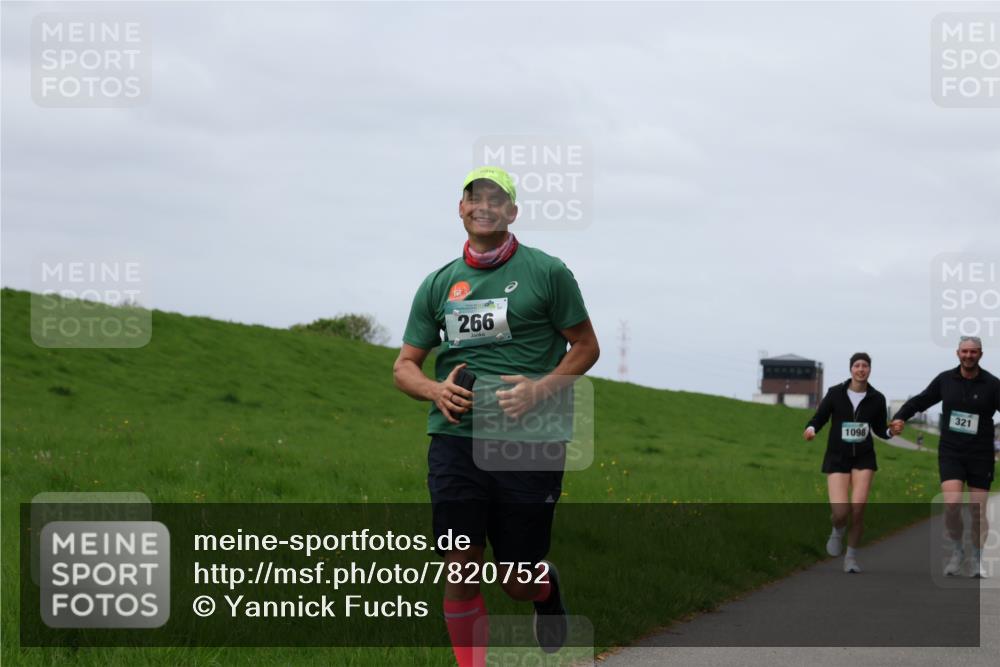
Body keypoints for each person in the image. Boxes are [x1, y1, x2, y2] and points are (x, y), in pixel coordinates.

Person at [393, 166, 600, 666]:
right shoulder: (439, 284)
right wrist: (434, 390)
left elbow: (586, 346)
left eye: (495, 198)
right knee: (460, 569)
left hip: (528, 439)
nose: (482, 205)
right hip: (455, 439)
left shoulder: (547, 272)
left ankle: (545, 592)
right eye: (472, 198)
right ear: (460, 209)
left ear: (511, 212)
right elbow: (404, 366)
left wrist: (540, 388)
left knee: (515, 578)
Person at [891, 336, 1000, 578]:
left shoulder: (992, 384)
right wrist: (900, 416)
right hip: (951, 451)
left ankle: (977, 559)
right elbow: (921, 400)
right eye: (964, 351)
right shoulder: (945, 380)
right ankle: (958, 551)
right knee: (951, 503)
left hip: (981, 454)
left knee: (977, 509)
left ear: (981, 354)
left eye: (973, 352)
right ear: (957, 353)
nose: (968, 356)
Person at [803, 352, 892, 573]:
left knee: (858, 508)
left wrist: (891, 431)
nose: (861, 369)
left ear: (870, 370)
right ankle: (837, 530)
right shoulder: (835, 393)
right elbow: (820, 417)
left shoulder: (877, 398)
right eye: (857, 366)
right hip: (837, 456)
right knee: (841, 512)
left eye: (865, 366)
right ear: (851, 369)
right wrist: (811, 429)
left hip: (864, 457)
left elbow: (881, 429)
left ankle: (851, 557)